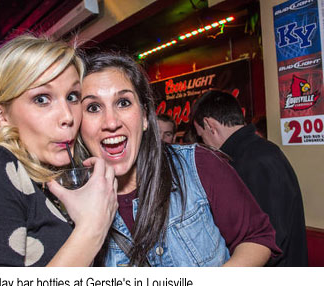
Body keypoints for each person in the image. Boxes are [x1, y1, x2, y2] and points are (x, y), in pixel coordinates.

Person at [0, 34, 118, 267]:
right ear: (1, 116)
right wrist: (92, 228)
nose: (68, 116)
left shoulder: (35, 175)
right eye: (42, 99)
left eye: (72, 97)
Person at [79, 52, 280, 267]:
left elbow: (257, 237)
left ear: (146, 117)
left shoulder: (198, 165)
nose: (111, 122)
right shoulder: (68, 207)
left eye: (123, 102)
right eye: (93, 107)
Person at [192, 90, 308, 266]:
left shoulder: (255, 160)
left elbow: (268, 238)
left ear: (210, 126)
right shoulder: (258, 152)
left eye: (202, 136)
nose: (204, 143)